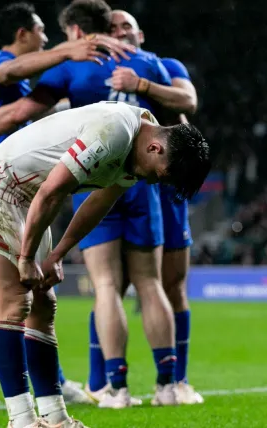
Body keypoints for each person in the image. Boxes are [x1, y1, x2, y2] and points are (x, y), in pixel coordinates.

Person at [0, 0, 193, 408]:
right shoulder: (131, 70)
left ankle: (59, 397)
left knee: (33, 296)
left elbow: (25, 119)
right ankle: (3, 400)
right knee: (9, 297)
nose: (47, 38)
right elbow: (187, 104)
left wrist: (56, 254)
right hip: (3, 183)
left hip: (41, 185)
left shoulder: (67, 78)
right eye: (40, 30)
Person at [0, 101, 210, 428]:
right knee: (15, 302)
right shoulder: (115, 131)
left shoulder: (138, 146)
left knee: (44, 307)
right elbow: (52, 191)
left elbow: (97, 204)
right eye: (163, 174)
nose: (156, 182)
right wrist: (29, 257)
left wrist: (57, 254)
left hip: (24, 200)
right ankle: (21, 420)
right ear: (156, 148)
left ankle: (56, 419)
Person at [83, 9, 205, 405]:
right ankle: (98, 381)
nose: (119, 33)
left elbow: (188, 102)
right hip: (119, 179)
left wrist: (141, 83)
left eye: (126, 28)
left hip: (162, 185)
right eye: (113, 28)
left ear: (140, 33)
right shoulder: (93, 70)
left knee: (171, 283)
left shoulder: (161, 65)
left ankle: (176, 380)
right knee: (111, 286)